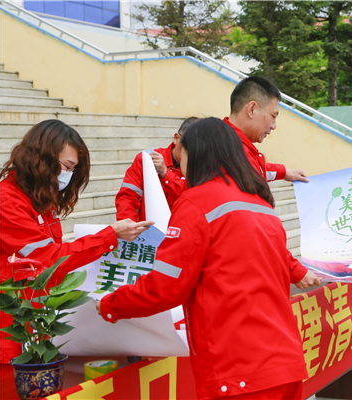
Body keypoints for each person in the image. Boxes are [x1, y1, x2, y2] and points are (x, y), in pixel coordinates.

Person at [97, 118, 320, 399]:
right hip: (284, 363)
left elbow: (167, 287)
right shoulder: (259, 204)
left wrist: (111, 304)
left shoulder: (195, 203)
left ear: (197, 153)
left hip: (239, 371)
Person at [0, 119, 153, 364]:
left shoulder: (38, 200)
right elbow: (47, 260)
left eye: (73, 171)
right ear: (42, 157)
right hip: (12, 333)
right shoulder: (7, 202)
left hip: (36, 322)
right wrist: (108, 236)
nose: (68, 176)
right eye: (66, 167)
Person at [224, 76, 309, 183]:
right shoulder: (232, 152)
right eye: (273, 116)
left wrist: (284, 172)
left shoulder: (223, 143)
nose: (274, 126)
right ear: (252, 110)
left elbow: (255, 170)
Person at [115, 116, 199, 221]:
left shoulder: (200, 168)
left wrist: (166, 174)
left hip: (178, 232)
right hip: (146, 231)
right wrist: (129, 227)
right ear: (176, 139)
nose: (190, 155)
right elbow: (128, 196)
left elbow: (194, 200)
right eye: (187, 148)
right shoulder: (147, 159)